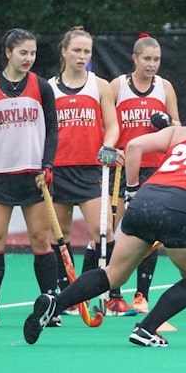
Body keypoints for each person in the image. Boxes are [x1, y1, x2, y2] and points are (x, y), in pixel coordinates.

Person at [23, 82, 186, 347]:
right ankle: (146, 329)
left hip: (146, 197)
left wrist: (131, 192)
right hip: (182, 206)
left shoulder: (180, 132)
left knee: (113, 274)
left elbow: (133, 146)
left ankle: (56, 302)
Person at [0, 28, 59, 328]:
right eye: (23, 53)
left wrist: (47, 166)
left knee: (41, 240)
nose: (28, 59)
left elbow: (53, 130)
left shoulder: (42, 86)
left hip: (33, 177)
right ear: (8, 52)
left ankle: (51, 307)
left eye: (32, 53)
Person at [48, 26, 120, 312]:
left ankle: (105, 291)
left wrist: (109, 146)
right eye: (76, 50)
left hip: (91, 170)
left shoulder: (99, 85)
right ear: (64, 51)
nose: (81, 56)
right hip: (59, 170)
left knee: (104, 231)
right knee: (59, 234)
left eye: (86, 51)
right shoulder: (49, 87)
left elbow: (112, 126)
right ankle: (66, 295)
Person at [110, 33, 180, 314]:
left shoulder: (164, 87)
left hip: (155, 169)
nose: (152, 64)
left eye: (157, 59)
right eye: (147, 58)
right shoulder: (118, 86)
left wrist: (167, 122)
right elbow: (107, 124)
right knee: (113, 229)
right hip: (123, 169)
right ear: (135, 58)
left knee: (149, 231)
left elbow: (177, 125)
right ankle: (113, 293)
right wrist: (111, 150)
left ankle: (141, 294)